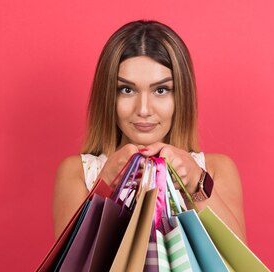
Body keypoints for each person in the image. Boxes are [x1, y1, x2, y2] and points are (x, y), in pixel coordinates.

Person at [52, 20, 247, 242]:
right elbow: (68, 269)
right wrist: (104, 187)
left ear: (181, 97)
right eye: (127, 90)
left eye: (161, 90)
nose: (143, 109)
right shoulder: (78, 172)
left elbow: (242, 265)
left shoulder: (214, 169)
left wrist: (196, 185)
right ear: (108, 97)